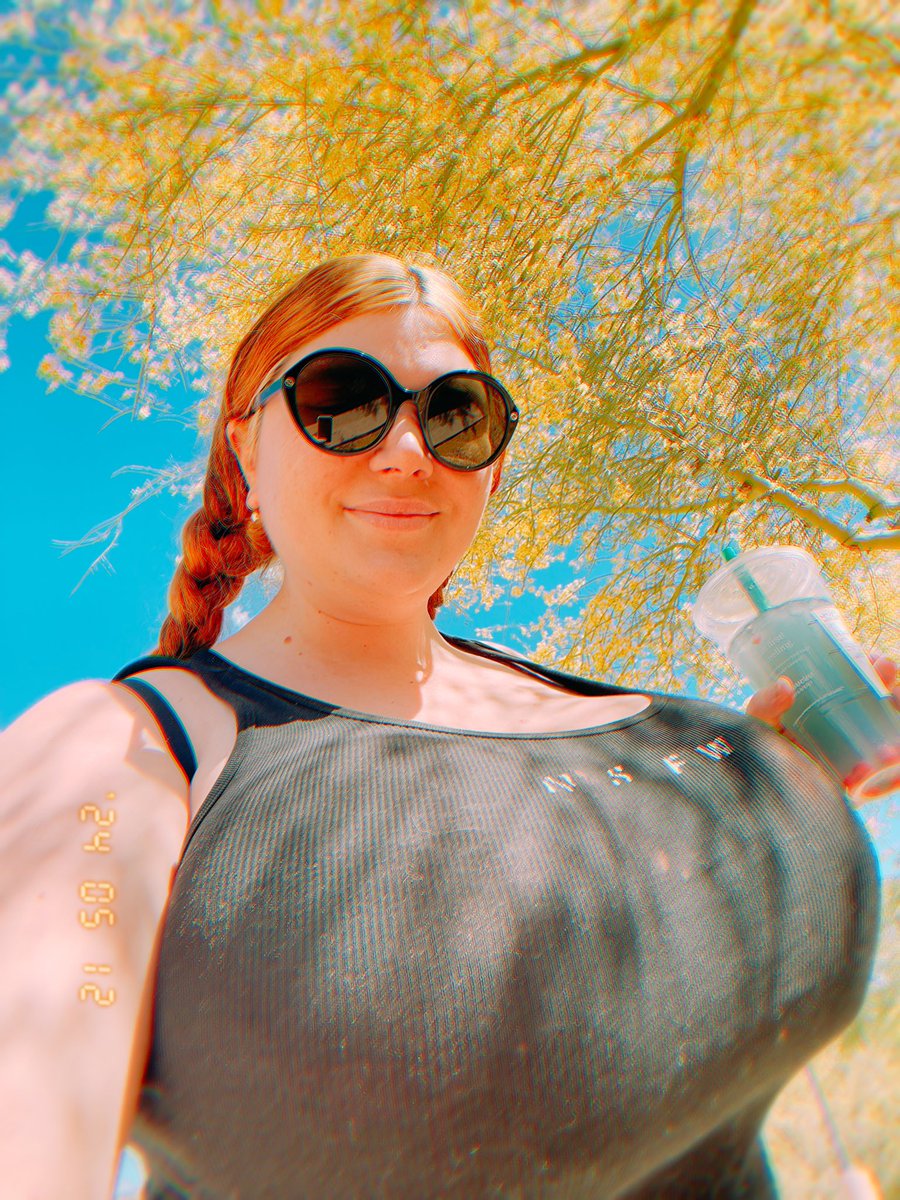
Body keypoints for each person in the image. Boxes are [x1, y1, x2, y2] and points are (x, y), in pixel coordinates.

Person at [1, 253, 888, 1200]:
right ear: (247, 450)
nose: (406, 450)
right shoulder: (120, 752)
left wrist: (762, 790)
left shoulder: (635, 716)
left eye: (456, 414)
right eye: (341, 401)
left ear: (493, 466)